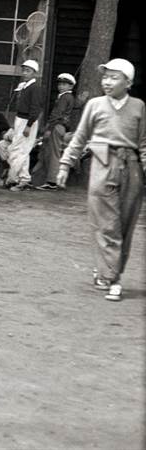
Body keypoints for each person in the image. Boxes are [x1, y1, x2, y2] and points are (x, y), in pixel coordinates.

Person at [57, 59, 146, 302]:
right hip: (102, 165)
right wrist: (65, 164)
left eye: (114, 77)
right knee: (107, 224)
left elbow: (144, 143)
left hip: (132, 168)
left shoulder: (138, 107)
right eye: (105, 77)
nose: (107, 81)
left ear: (128, 82)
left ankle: (108, 270)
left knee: (125, 225)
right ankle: (113, 278)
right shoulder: (95, 105)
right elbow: (80, 137)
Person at [1, 60, 43, 191]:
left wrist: (29, 125)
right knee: (19, 150)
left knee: (20, 151)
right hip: (20, 119)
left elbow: (35, 108)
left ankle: (12, 179)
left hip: (27, 121)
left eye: (28, 71)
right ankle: (24, 179)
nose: (25, 73)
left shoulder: (35, 87)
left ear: (35, 73)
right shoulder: (24, 86)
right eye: (24, 70)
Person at [35, 73, 77, 190]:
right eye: (60, 84)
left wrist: (49, 128)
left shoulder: (64, 97)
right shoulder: (67, 97)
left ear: (71, 87)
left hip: (56, 126)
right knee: (53, 152)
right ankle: (51, 179)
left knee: (53, 153)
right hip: (60, 126)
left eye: (64, 84)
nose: (61, 86)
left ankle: (52, 182)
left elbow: (57, 114)